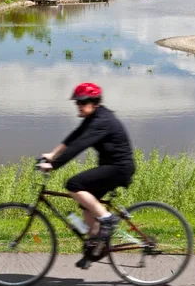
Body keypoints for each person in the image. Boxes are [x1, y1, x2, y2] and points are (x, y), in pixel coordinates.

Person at [39, 82, 135, 269]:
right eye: (77, 103)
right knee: (86, 206)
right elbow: (74, 137)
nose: (79, 106)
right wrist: (52, 154)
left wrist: (54, 165)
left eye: (82, 103)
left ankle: (108, 219)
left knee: (74, 184)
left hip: (118, 168)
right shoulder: (95, 117)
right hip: (112, 167)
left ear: (93, 102)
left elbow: (78, 147)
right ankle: (94, 250)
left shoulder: (102, 122)